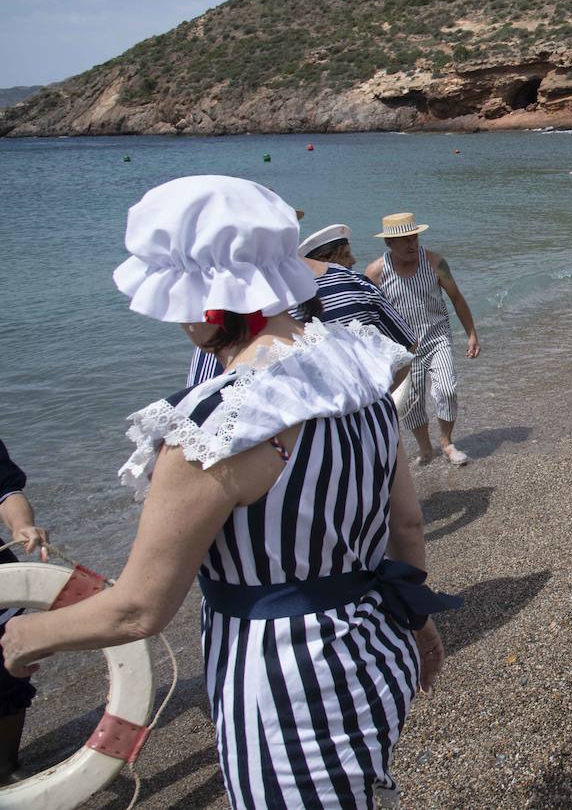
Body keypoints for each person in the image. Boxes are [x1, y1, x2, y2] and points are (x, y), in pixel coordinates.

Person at [0, 175, 460, 805]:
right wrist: (417, 624)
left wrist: (26, 638)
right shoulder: (356, 368)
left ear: (207, 301)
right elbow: (405, 526)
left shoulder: (212, 428)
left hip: (284, 682)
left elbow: (138, 609)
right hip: (376, 643)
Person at [187, 222, 417, 386]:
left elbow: (207, 393)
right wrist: (373, 403)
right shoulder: (353, 281)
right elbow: (406, 348)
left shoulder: (232, 309)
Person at [366, 214, 481, 467]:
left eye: (414, 237)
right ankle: (425, 449)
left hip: (437, 336)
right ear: (389, 243)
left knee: (447, 389)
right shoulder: (376, 272)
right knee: (411, 401)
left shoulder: (435, 263)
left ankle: (446, 442)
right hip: (402, 348)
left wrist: (471, 333)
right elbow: (369, 316)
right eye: (403, 239)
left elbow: (457, 298)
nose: (411, 244)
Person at [0, 440, 48, 783]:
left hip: (1, 587)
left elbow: (6, 492)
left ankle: (7, 766)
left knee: (8, 679)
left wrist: (21, 526)